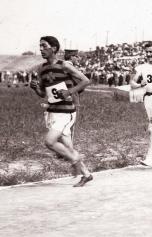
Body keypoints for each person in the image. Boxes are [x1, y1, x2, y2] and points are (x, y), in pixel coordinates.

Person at [29, 36, 93, 187]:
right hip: (52, 111)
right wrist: (35, 88)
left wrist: (69, 92)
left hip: (66, 112)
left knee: (49, 142)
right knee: (68, 146)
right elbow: (44, 94)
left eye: (44, 46)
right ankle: (87, 174)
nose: (41, 49)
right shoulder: (41, 69)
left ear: (54, 48)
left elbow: (85, 80)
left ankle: (75, 160)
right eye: (40, 46)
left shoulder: (64, 65)